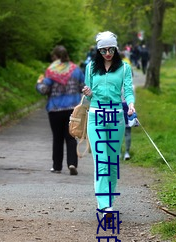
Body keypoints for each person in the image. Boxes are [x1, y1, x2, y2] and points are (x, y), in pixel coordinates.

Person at [82, 31, 135, 218]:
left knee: (113, 162)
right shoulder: (90, 68)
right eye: (103, 50)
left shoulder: (125, 68)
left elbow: (128, 90)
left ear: (116, 48)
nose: (107, 53)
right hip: (96, 117)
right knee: (101, 160)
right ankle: (104, 205)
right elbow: (87, 95)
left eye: (110, 49)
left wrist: (131, 104)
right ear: (98, 50)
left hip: (116, 118)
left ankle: (108, 201)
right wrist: (87, 93)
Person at [36, 45, 85, 175]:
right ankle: (72, 163)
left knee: (57, 138)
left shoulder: (51, 71)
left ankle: (57, 166)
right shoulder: (76, 70)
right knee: (71, 137)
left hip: (55, 109)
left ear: (55, 57)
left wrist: (39, 83)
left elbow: (44, 90)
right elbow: (83, 87)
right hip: (72, 109)